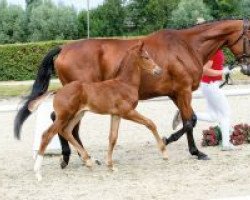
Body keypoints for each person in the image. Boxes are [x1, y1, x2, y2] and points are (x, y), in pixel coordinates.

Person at [172, 49, 236, 151]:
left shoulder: (216, 50)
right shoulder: (214, 51)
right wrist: (223, 71)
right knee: (226, 113)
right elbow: (205, 70)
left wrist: (226, 69)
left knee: (213, 115)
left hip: (209, 85)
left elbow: (213, 66)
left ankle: (184, 114)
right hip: (211, 86)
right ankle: (226, 144)